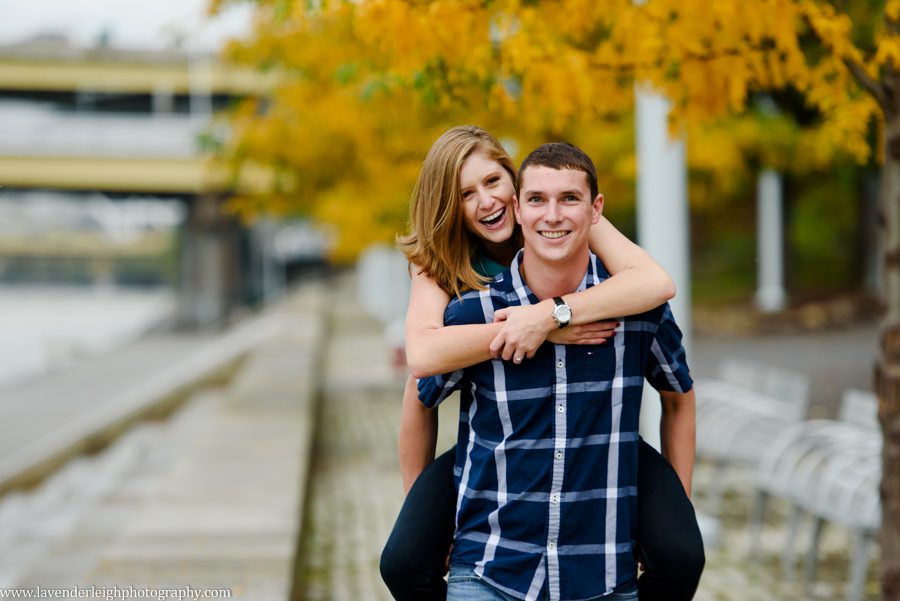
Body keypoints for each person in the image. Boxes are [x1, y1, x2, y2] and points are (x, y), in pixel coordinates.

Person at [380, 127, 704, 600]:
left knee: (680, 552)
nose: (486, 201)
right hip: (505, 436)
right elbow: (423, 364)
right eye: (465, 194)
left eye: (493, 182)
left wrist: (552, 311)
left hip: (597, 432)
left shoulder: (566, 210)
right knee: (405, 559)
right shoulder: (440, 264)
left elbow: (654, 282)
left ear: (513, 186)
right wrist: (534, 327)